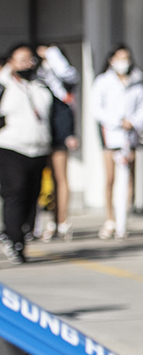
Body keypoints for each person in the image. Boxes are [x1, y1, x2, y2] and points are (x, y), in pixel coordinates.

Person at [0, 44, 52, 263]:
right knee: (16, 192)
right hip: (11, 147)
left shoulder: (41, 86)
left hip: (39, 149)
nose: (25, 64)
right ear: (11, 61)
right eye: (20, 59)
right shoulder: (4, 85)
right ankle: (14, 240)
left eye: (29, 59)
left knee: (32, 195)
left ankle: (19, 234)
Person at [89, 45, 143, 240]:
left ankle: (123, 219)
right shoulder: (103, 81)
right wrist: (116, 121)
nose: (123, 62)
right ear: (111, 60)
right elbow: (96, 108)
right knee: (111, 179)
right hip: (110, 135)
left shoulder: (137, 82)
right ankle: (110, 219)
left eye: (126, 58)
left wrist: (133, 122)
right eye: (119, 58)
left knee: (129, 179)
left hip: (130, 136)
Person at [36, 44, 79, 242]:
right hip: (38, 134)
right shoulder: (36, 78)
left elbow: (67, 105)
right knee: (39, 179)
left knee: (60, 178)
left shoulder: (64, 80)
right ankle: (38, 223)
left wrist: (69, 133)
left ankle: (61, 221)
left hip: (59, 133)